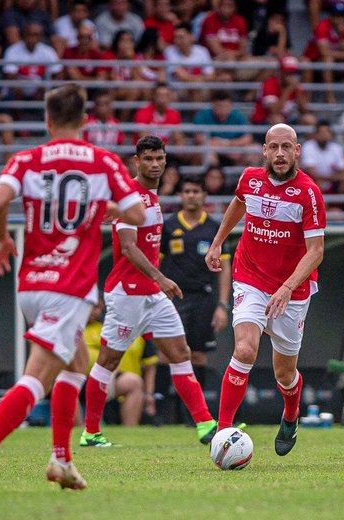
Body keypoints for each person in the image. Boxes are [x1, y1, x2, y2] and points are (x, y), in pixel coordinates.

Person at [0, 84, 145, 494]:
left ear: (47, 120)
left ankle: (61, 459)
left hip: (30, 284)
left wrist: (0, 240)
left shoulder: (26, 159)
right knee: (37, 377)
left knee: (77, 365)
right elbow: (137, 212)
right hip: (69, 286)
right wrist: (106, 208)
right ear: (84, 122)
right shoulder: (102, 161)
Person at [80, 136, 217, 448]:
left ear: (165, 161)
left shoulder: (154, 198)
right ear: (136, 161)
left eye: (159, 158)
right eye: (148, 159)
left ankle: (205, 424)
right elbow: (128, 248)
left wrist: (157, 282)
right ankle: (90, 432)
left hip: (152, 293)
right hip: (127, 293)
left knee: (181, 353)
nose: (155, 164)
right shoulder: (127, 198)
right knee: (108, 361)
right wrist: (161, 277)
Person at [204, 123, 326, 456]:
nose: (280, 154)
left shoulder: (308, 193)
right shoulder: (250, 179)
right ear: (265, 150)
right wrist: (217, 243)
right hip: (250, 276)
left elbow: (316, 251)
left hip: (292, 290)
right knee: (244, 349)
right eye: (274, 147)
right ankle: (223, 431)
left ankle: (291, 414)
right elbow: (237, 205)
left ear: (297, 150)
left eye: (287, 147)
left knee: (284, 374)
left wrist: (288, 287)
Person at [160, 176, 231, 389]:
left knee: (198, 355)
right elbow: (156, 264)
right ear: (181, 195)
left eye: (196, 191)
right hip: (173, 298)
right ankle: (162, 414)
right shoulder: (169, 226)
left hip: (203, 298)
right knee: (166, 354)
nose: (191, 195)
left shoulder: (214, 228)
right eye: (187, 191)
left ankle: (195, 417)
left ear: (204, 195)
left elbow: (224, 267)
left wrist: (222, 306)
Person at [82, 299, 158, 426]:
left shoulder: (135, 330)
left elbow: (150, 365)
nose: (95, 311)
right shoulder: (76, 327)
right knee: (67, 380)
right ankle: (81, 431)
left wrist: (149, 394)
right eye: (92, 307)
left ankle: (129, 432)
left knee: (133, 382)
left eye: (98, 308)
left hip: (110, 381)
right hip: (81, 379)